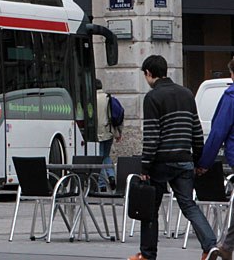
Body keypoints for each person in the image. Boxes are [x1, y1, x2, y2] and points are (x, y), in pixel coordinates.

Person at [128, 54, 218, 260]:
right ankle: (210, 245)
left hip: (161, 161)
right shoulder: (187, 94)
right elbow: (196, 130)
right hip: (184, 159)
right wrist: (197, 160)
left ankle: (147, 254)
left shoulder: (152, 98)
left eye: (145, 75)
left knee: (150, 208)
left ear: (149, 74)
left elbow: (152, 134)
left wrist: (145, 167)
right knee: (188, 205)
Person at [197, 58, 234, 260]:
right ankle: (227, 246)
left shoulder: (230, 97)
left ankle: (227, 246)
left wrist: (204, 163)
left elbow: (218, 132)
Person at [95, 79, 122, 190]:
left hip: (97, 133)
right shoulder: (108, 98)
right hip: (109, 131)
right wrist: (119, 132)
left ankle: (101, 184)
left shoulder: (91, 99)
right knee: (106, 156)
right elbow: (119, 114)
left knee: (99, 158)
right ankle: (111, 177)